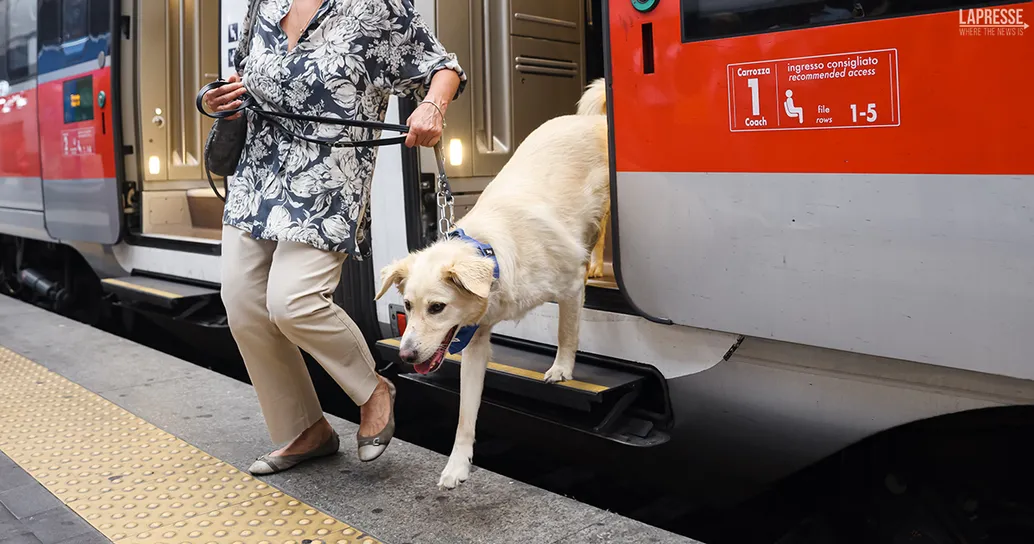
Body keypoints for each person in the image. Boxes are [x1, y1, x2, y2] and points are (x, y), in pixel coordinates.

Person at [202, 0, 465, 475]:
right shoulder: (265, 4)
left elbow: (443, 67)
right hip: (255, 174)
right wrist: (214, 100)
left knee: (293, 301)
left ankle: (374, 391)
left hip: (326, 180)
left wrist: (431, 105)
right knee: (241, 302)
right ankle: (306, 430)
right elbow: (243, 74)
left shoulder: (375, 7)